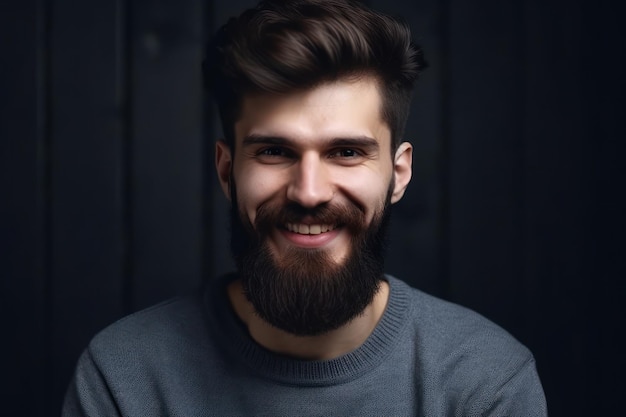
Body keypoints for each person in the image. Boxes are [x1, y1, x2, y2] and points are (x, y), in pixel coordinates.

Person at [63, 0, 547, 415]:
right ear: (227, 170)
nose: (309, 192)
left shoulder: (485, 385)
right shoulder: (124, 380)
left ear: (398, 174)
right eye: (274, 151)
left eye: (347, 152)